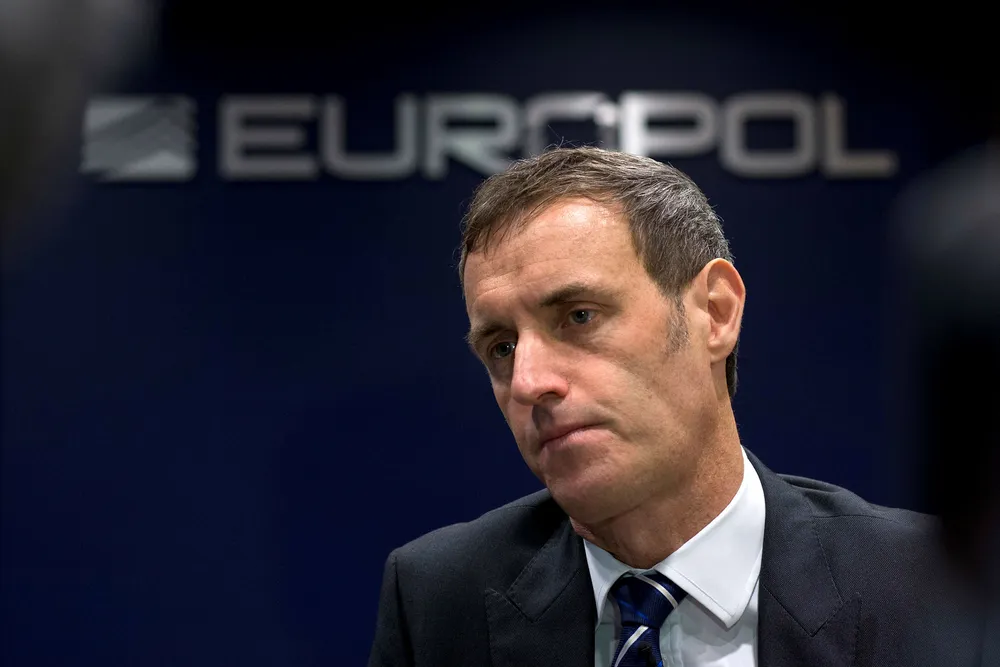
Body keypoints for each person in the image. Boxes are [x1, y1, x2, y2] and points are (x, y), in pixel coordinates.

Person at [366, 146, 982, 667]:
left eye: (579, 316)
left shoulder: (941, 593)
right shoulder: (438, 602)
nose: (528, 382)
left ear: (715, 312)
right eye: (501, 348)